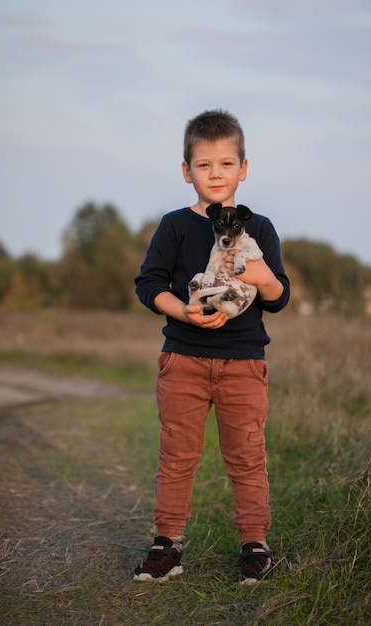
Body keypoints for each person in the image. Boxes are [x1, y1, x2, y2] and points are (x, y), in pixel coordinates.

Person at [133, 109, 290, 584]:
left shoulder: (258, 227)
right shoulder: (175, 225)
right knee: (178, 453)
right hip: (183, 358)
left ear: (244, 169)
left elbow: (279, 296)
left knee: (246, 455)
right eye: (204, 165)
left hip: (244, 363)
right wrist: (182, 311)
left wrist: (262, 277)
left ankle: (254, 544)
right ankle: (168, 543)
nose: (215, 174)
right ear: (187, 172)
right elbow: (149, 284)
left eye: (226, 164)